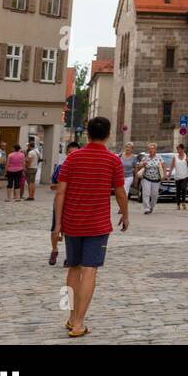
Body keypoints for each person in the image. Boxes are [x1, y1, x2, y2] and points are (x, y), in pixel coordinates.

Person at [53, 117, 127, 339]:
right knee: (90, 271)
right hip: (97, 224)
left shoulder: (72, 158)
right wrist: (125, 212)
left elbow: (60, 191)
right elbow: (121, 192)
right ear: (108, 134)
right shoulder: (113, 160)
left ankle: (70, 315)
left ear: (87, 133)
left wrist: (57, 224)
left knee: (72, 269)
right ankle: (79, 323)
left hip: (72, 222)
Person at [48, 141, 81, 265]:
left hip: (74, 203)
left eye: (76, 152)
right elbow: (52, 186)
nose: (73, 155)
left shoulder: (81, 168)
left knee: (70, 231)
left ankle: (69, 256)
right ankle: (54, 249)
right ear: (66, 153)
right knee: (54, 228)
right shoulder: (60, 167)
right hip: (59, 201)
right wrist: (63, 186)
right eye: (70, 153)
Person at [137, 143, 166, 214]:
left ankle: (151, 206)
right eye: (149, 149)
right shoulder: (145, 158)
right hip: (146, 178)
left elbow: (163, 167)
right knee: (146, 193)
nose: (150, 150)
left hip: (156, 179)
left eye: (152, 148)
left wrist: (164, 175)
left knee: (154, 195)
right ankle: (146, 208)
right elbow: (139, 166)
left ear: (155, 150)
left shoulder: (159, 157)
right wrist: (142, 164)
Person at [170, 144, 188, 210]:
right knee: (178, 191)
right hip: (177, 176)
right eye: (177, 149)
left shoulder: (186, 156)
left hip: (185, 175)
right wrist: (169, 173)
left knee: (184, 188)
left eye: (179, 149)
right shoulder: (175, 157)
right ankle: (178, 204)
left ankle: (183, 202)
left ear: (182, 149)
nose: (178, 150)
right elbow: (172, 166)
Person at [119, 143, 137, 215]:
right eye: (126, 147)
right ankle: (121, 207)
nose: (128, 149)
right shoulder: (120, 156)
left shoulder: (134, 157)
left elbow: (135, 168)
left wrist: (136, 178)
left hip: (129, 176)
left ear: (132, 149)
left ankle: (123, 208)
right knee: (120, 192)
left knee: (125, 191)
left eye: (129, 148)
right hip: (120, 176)